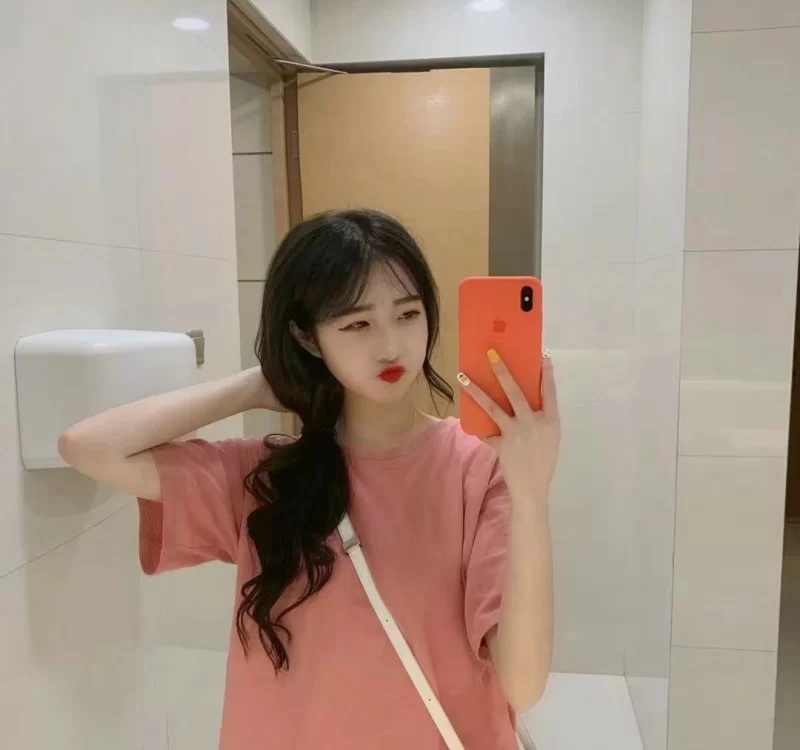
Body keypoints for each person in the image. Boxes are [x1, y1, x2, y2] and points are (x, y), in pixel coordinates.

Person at [58, 209, 560, 750]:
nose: (391, 346)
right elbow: (88, 447)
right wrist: (256, 385)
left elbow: (523, 684)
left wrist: (531, 496)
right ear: (308, 336)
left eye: (408, 314)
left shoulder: (478, 467)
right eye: (357, 324)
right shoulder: (266, 477)